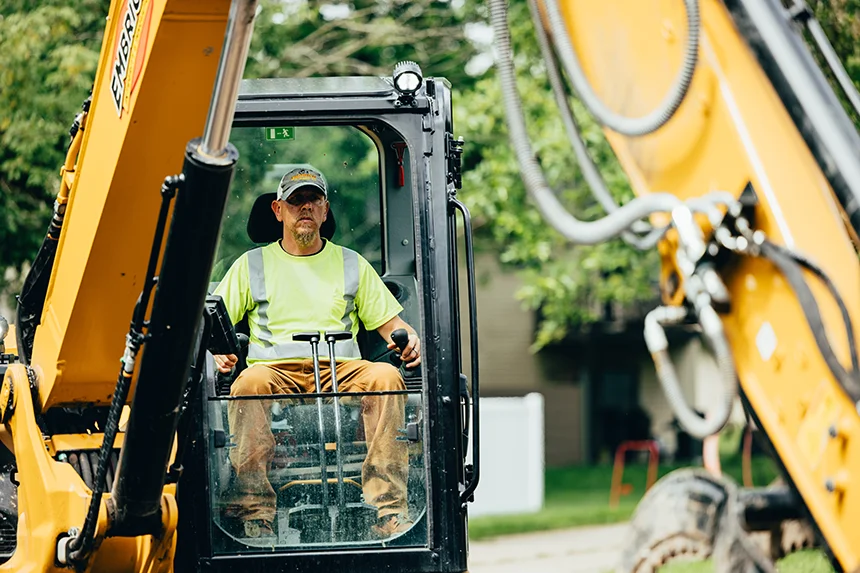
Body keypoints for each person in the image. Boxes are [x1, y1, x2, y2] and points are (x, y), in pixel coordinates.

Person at [212, 166, 421, 543]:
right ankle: (255, 511)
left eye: (313, 200)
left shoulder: (351, 263)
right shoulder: (251, 265)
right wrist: (216, 353)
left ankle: (390, 509)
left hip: (342, 369)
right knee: (248, 382)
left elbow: (394, 326)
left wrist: (410, 341)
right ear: (278, 210)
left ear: (325, 210)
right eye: (296, 201)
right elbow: (215, 323)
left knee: (387, 378)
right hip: (276, 373)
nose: (304, 208)